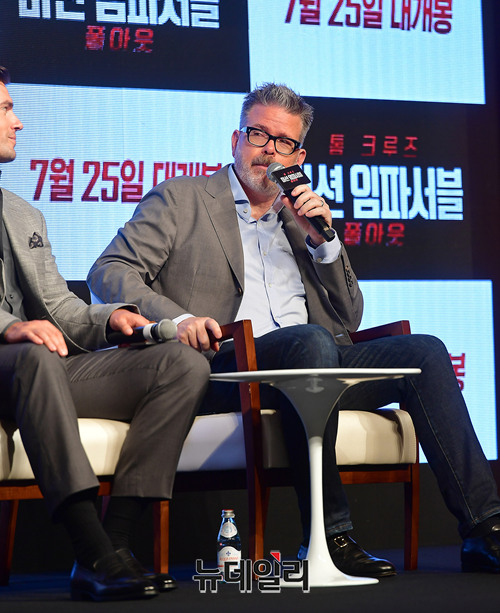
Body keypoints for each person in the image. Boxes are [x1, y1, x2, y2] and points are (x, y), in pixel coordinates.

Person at [88, 82, 500, 577]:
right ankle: (331, 537)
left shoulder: (299, 220)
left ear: (299, 156)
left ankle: (485, 529)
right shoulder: (183, 199)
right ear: (236, 140)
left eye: (283, 142)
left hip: (316, 363)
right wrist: (178, 321)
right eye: (258, 135)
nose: (269, 151)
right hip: (227, 367)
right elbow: (109, 270)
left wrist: (324, 244)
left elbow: (350, 318)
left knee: (426, 353)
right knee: (309, 341)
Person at [0, 66, 211, 601]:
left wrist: (111, 316)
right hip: (20, 363)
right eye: (6, 109)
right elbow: (28, 330)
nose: (18, 122)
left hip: (39, 373)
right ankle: (90, 547)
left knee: (181, 363)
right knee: (34, 357)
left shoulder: (22, 213)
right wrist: (11, 327)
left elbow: (60, 308)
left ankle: (115, 543)